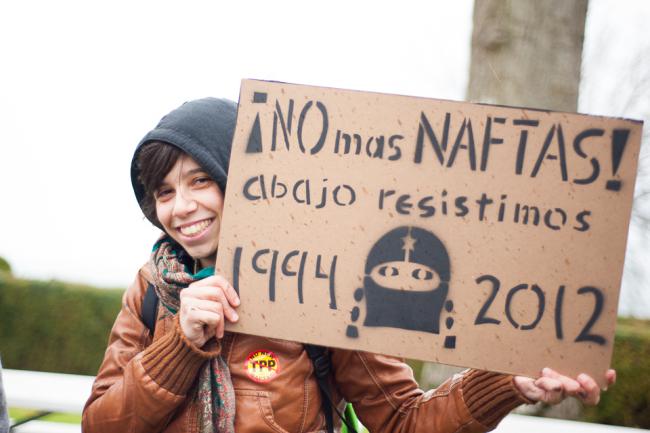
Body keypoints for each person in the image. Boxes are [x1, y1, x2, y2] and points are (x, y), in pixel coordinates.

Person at [82, 97, 616, 433]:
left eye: (201, 180)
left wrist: (507, 382)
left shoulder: (320, 280)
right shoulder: (153, 289)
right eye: (165, 191)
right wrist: (181, 344)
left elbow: (403, 419)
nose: (182, 207)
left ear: (241, 180)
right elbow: (99, 425)